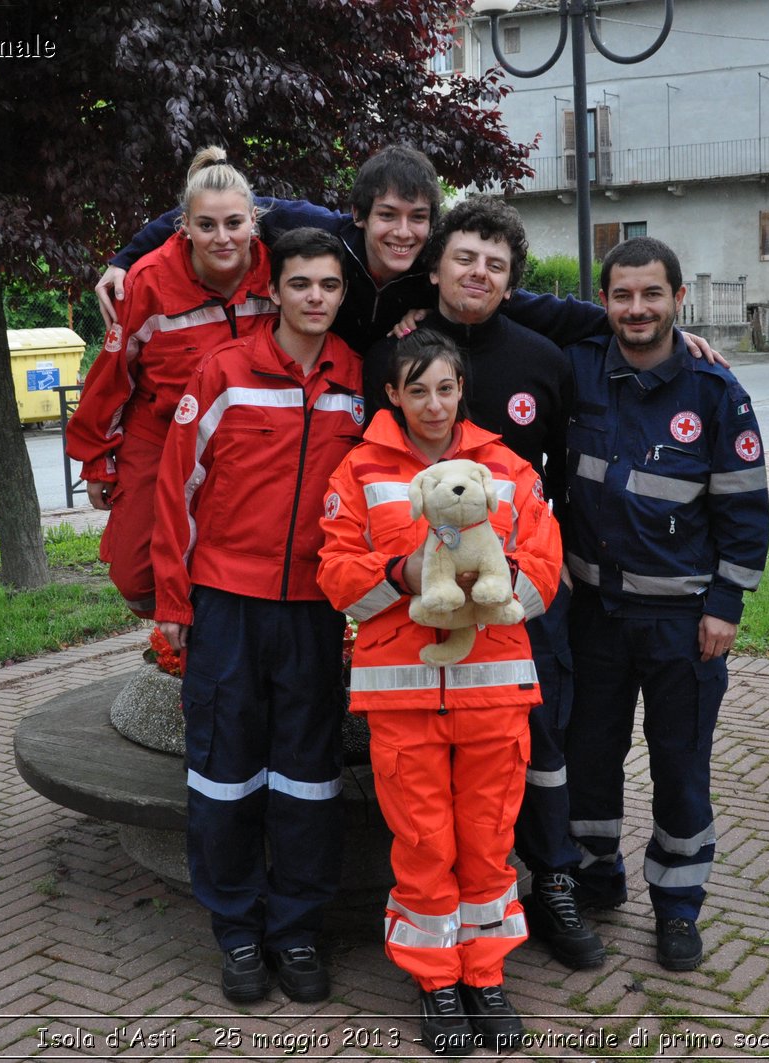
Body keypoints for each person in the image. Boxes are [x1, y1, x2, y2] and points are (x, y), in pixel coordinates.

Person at [362, 196, 604, 973]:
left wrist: (550, 558)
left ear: (511, 282)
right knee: (436, 762)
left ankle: (554, 877)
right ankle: (445, 921)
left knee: (542, 737)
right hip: (419, 599)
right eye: (466, 257)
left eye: (496, 265)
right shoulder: (389, 352)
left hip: (521, 587)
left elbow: (563, 469)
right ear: (436, 265)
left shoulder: (543, 357)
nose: (479, 273)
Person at [318, 330, 562, 1055]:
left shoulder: (508, 467)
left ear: (463, 390)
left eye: (445, 388)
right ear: (392, 394)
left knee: (488, 842)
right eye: (415, 388)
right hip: (402, 694)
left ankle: (485, 976)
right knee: (424, 843)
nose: (432, 403)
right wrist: (403, 574)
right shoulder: (358, 470)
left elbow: (545, 566)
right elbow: (335, 574)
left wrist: (489, 585)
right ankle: (436, 981)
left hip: (494, 690)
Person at [150, 227, 364, 1005]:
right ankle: (238, 931)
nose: (315, 298)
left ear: (343, 295)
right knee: (223, 774)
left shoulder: (357, 380)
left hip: (314, 611)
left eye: (329, 287)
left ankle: (298, 930)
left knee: (308, 777)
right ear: (274, 288)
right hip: (227, 607)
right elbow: (176, 490)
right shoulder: (223, 373)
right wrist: (175, 603)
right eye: (301, 283)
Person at [558, 236, 769, 971]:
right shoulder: (581, 367)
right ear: (604, 302)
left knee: (680, 764)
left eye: (652, 294)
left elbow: (746, 509)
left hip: (684, 622)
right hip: (593, 613)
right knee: (590, 755)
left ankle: (677, 904)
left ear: (678, 298)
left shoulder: (716, 392)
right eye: (622, 295)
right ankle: (595, 875)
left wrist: (727, 604)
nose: (637, 308)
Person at [93, 144, 725, 363]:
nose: (402, 232)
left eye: (418, 218)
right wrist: (127, 256)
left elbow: (535, 310)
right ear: (360, 214)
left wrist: (640, 324)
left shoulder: (433, 274)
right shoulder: (311, 229)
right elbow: (213, 211)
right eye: (388, 216)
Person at [66, 146, 275, 617]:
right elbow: (112, 378)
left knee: (234, 561)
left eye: (234, 224)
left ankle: (208, 650)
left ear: (254, 222)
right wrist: (99, 460)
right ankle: (175, 633)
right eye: (206, 226)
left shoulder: (279, 271)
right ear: (183, 226)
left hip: (245, 439)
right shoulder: (149, 282)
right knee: (136, 575)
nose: (222, 238)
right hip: (159, 433)